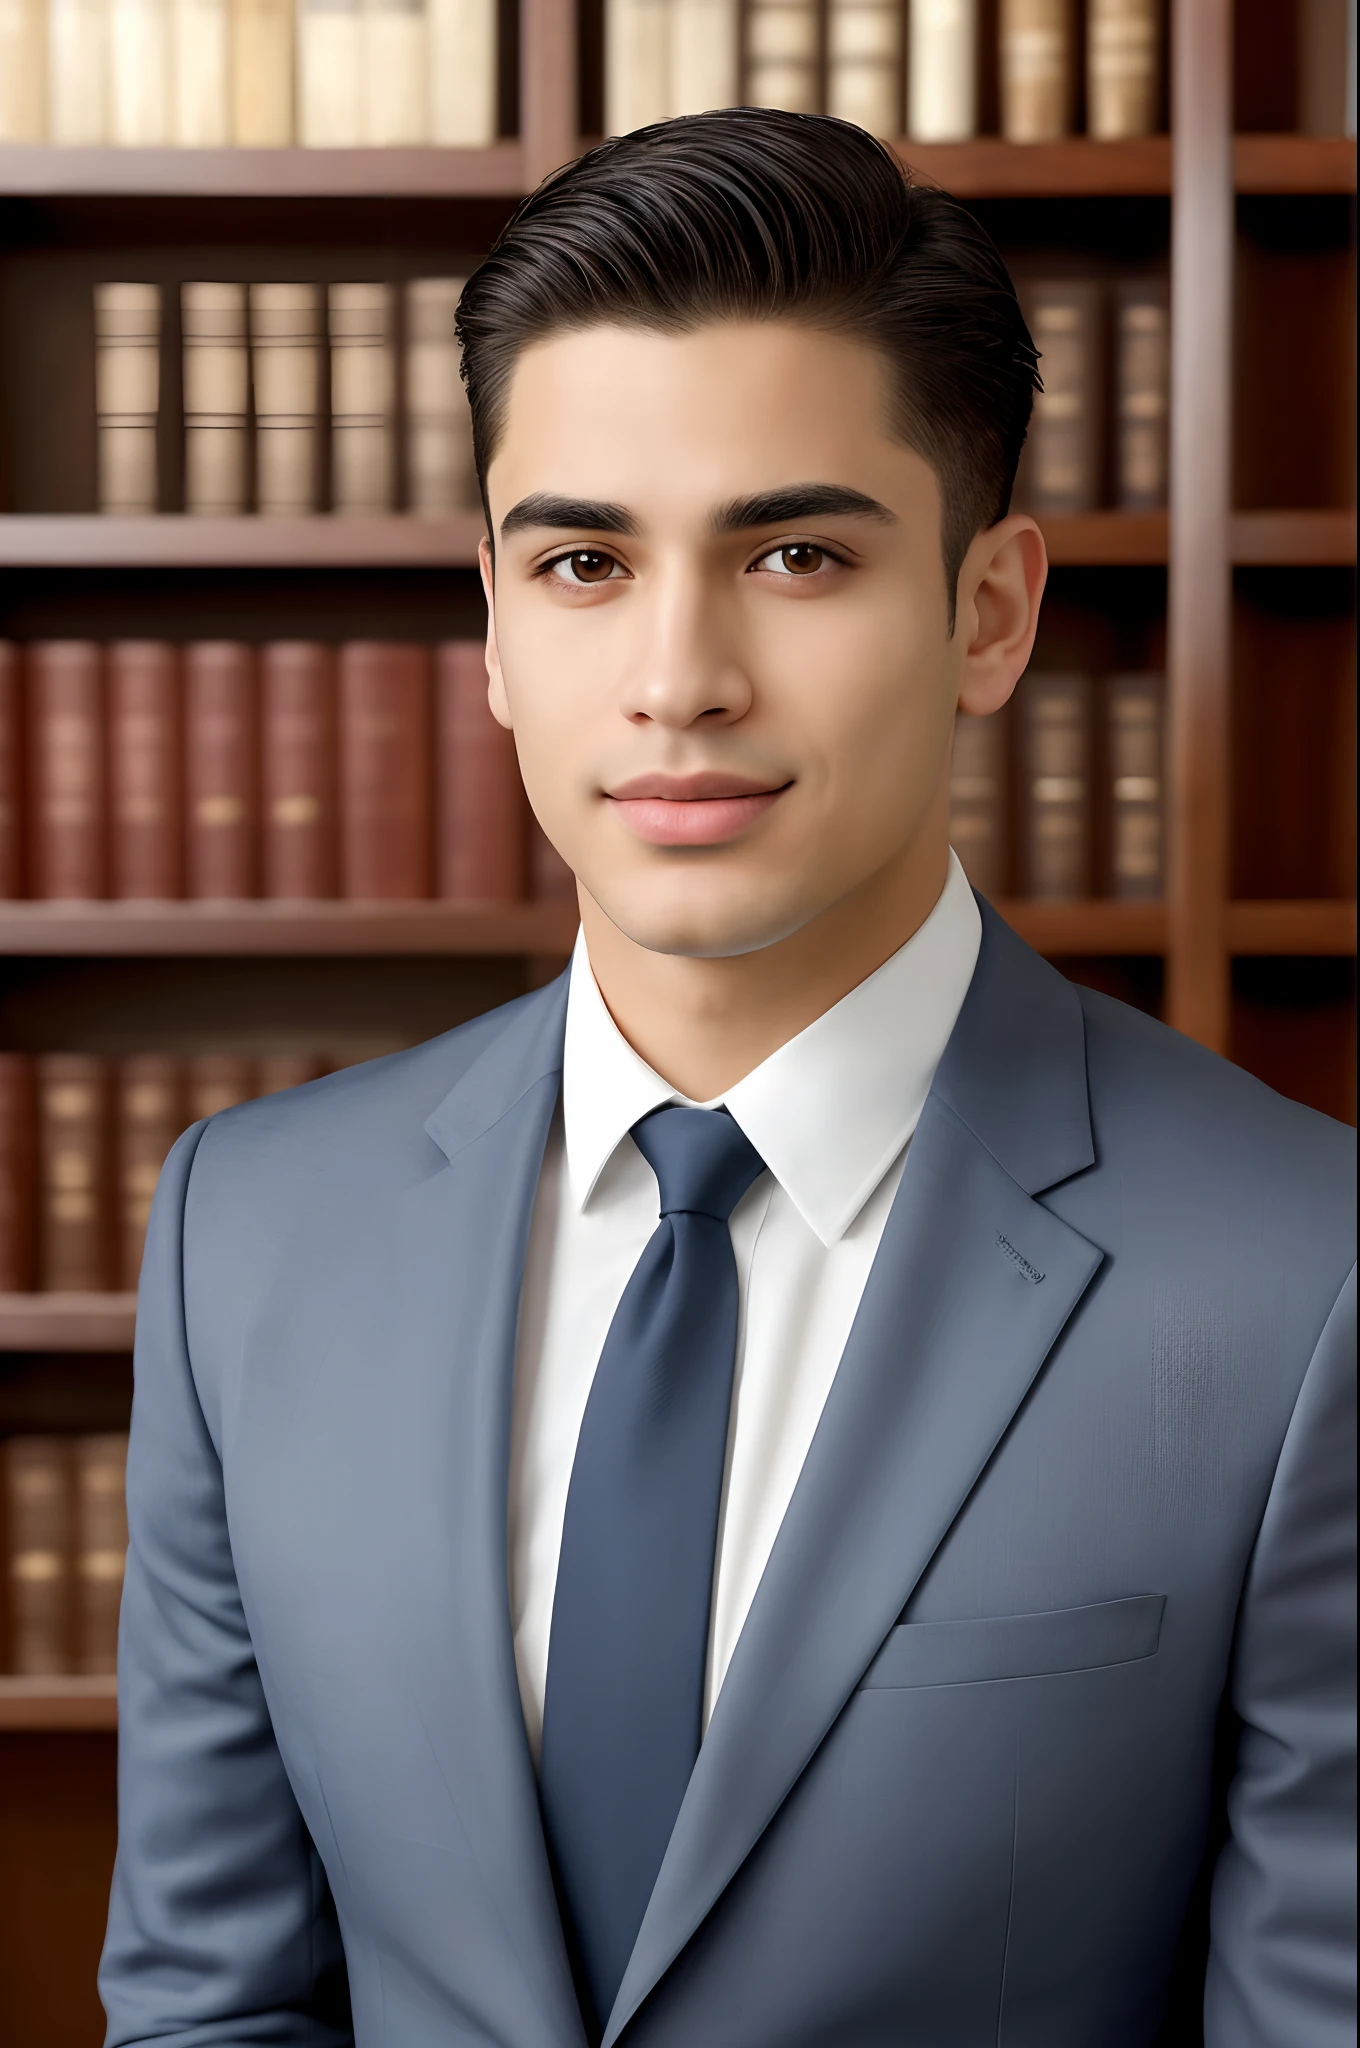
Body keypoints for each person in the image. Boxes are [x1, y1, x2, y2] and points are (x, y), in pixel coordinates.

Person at [101, 110, 1355, 2048]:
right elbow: (207, 2002)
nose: (677, 674)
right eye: (585, 559)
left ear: (987, 611)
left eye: (790, 551)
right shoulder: (244, 1229)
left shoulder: (1301, 1274)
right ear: (497, 627)